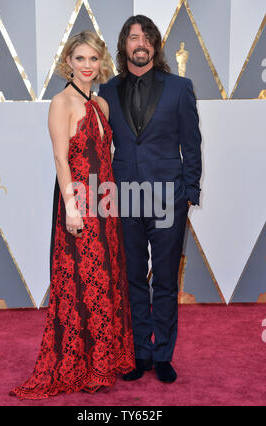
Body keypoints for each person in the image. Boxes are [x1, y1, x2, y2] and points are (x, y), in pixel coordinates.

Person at [10, 30, 135, 400]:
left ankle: (106, 359)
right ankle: (83, 364)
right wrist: (70, 206)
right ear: (68, 62)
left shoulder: (102, 105)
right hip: (78, 204)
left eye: (93, 59)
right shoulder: (61, 103)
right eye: (80, 58)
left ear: (101, 63)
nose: (87, 65)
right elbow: (61, 160)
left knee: (107, 277)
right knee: (84, 281)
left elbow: (106, 159)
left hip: (105, 205)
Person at [99, 15, 202, 383]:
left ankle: (163, 355)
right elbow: (96, 146)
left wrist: (190, 192)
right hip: (124, 196)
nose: (139, 43)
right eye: (132, 37)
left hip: (167, 196)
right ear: (124, 45)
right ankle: (139, 351)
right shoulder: (107, 91)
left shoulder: (179, 87)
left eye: (146, 37)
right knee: (132, 279)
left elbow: (191, 143)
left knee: (165, 281)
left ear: (155, 45)